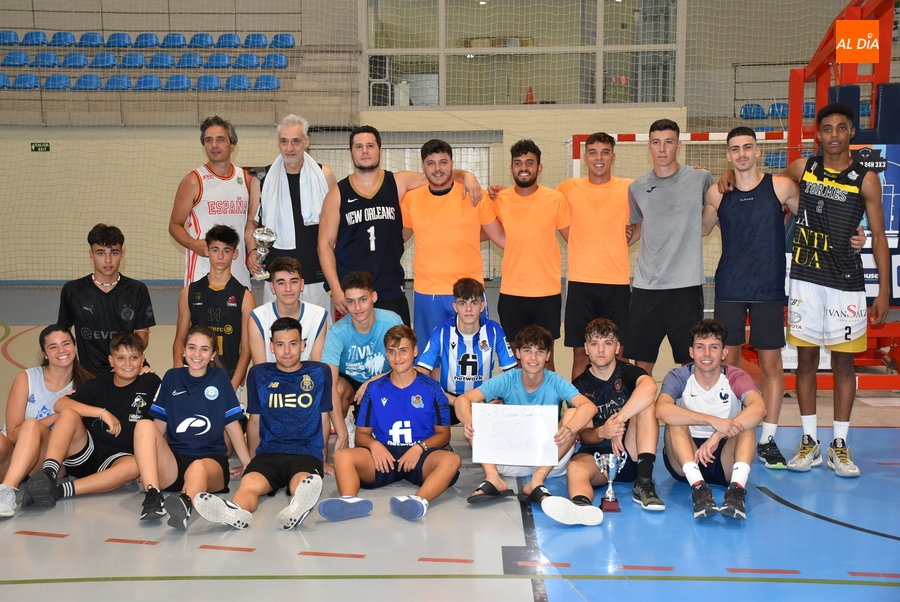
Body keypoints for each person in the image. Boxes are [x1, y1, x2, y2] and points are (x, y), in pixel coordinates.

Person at [712, 125, 871, 472]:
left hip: (769, 289)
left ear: (757, 152)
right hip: (729, 289)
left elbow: (818, 217)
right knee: (731, 366)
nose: (741, 154)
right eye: (735, 149)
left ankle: (767, 438)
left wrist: (855, 233)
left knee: (771, 367)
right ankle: (735, 430)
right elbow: (702, 227)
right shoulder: (716, 193)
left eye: (747, 148)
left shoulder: (781, 186)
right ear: (728, 155)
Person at [779, 103, 889, 477]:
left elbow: (877, 239)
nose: (834, 135)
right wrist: (731, 174)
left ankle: (839, 444)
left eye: (841, 128)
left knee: (844, 363)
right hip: (806, 281)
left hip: (846, 284)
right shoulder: (803, 169)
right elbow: (773, 189)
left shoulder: (866, 179)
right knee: (806, 360)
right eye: (827, 129)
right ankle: (809, 440)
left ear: (852, 133)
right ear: (818, 134)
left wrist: (884, 292)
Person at [317, 125, 483, 325]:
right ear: (351, 152)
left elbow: (436, 173)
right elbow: (324, 244)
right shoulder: (338, 193)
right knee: (353, 353)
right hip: (352, 291)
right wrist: (336, 289)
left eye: (370, 145)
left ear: (380, 151)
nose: (365, 151)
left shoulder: (398, 182)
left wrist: (466, 176)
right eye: (359, 146)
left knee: (400, 352)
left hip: (390, 287)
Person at [194, 317, 345, 530]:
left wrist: (321, 459)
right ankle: (234, 510)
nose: (287, 351)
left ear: (303, 345)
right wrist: (251, 461)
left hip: (305, 452)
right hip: (269, 453)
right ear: (271, 347)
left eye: (293, 344)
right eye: (280, 344)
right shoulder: (259, 374)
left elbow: (323, 417)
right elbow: (254, 422)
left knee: (302, 484)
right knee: (249, 484)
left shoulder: (319, 372)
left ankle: (297, 508)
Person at [1, 333, 159, 516]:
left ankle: (59, 490)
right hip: (85, 450)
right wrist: (102, 413)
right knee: (68, 414)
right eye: (121, 358)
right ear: (111, 361)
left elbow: (160, 421)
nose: (128, 363)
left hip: (119, 456)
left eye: (134, 358)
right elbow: (60, 405)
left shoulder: (151, 382)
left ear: (143, 360)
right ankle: (49, 475)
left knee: (134, 465)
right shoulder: (99, 382)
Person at [317, 325, 461, 522]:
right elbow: (361, 435)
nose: (397, 357)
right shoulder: (374, 389)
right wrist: (374, 445)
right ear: (386, 354)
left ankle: (417, 501)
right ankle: (350, 501)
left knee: (452, 460)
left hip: (420, 456)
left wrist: (420, 448)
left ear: (415, 351)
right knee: (342, 456)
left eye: (403, 350)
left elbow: (444, 435)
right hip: (384, 457)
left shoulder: (432, 388)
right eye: (391, 352)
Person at [455, 325, 597, 510]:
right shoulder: (507, 379)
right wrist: (468, 421)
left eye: (540, 351)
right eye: (527, 350)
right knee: (479, 411)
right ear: (518, 353)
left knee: (572, 412)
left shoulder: (554, 381)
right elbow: (462, 400)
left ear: (547, 356)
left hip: (548, 461)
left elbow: (589, 407)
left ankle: (537, 481)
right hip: (509, 459)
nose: (533, 357)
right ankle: (492, 477)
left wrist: (569, 428)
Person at [541, 318, 662, 526]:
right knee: (575, 468)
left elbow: (650, 387)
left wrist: (619, 421)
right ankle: (581, 507)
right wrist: (604, 431)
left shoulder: (627, 372)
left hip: (630, 450)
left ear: (617, 347)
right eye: (595, 343)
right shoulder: (579, 385)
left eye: (607, 343)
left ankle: (644, 482)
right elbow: (584, 433)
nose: (601, 349)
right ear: (586, 348)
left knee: (647, 403)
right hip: (596, 456)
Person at [135, 326, 251, 530]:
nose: (197, 354)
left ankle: (185, 504)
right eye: (192, 347)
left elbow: (232, 424)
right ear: (183, 350)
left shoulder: (220, 378)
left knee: (197, 467)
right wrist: (147, 467)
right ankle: (153, 496)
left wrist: (248, 464)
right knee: (144, 424)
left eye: (204, 349)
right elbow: (158, 426)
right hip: (174, 462)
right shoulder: (171, 377)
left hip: (210, 462)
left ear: (213, 354)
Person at [625, 119, 714, 378]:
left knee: (690, 362)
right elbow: (639, 225)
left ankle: (686, 415)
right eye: (656, 142)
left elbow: (712, 219)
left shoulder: (700, 178)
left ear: (679, 145)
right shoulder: (637, 187)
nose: (662, 149)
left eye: (668, 142)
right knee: (641, 364)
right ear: (649, 147)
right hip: (647, 287)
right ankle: (641, 417)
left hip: (685, 287)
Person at [656, 320, 766, 520]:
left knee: (746, 424)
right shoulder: (679, 376)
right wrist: (712, 421)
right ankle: (699, 490)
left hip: (724, 457)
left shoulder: (735, 376)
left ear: (724, 353)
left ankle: (736, 491)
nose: (707, 354)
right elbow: (661, 409)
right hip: (686, 457)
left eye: (713, 347)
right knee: (674, 418)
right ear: (691, 352)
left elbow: (759, 408)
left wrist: (718, 434)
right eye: (700, 347)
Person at [400, 139, 505, 344]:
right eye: (431, 163)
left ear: (452, 163)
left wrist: (510, 201)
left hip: (469, 292)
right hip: (427, 293)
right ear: (423, 167)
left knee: (474, 358)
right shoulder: (411, 200)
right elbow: (398, 238)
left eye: (443, 162)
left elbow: (501, 237)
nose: (437, 168)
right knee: (430, 360)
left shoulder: (475, 194)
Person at [556, 133, 634, 380]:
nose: (599, 158)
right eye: (593, 152)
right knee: (581, 353)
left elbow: (659, 205)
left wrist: (635, 232)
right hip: (581, 284)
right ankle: (580, 410)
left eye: (605, 152)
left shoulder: (630, 187)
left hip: (617, 284)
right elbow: (539, 202)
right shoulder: (568, 188)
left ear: (614, 157)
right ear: (585, 157)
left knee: (620, 353)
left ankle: (624, 410)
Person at [246, 114, 338, 316]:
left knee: (316, 339)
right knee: (277, 339)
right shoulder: (262, 179)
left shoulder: (325, 176)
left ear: (306, 141)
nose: (290, 148)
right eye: (284, 141)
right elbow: (251, 224)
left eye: (296, 141)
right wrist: (253, 250)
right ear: (278, 143)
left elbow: (336, 226)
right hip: (277, 277)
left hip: (316, 275)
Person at [493, 140, 571, 372]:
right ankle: (518, 409)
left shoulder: (555, 199)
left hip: (546, 294)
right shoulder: (501, 200)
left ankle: (553, 408)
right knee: (517, 362)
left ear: (540, 167)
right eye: (518, 163)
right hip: (512, 294)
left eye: (529, 162)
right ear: (511, 168)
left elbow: (575, 238)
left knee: (546, 360)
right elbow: (482, 231)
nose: (523, 167)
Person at [0, 325, 93, 512]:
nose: (61, 351)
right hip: (12, 455)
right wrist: (57, 413)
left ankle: (7, 490)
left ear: (74, 346)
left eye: (66, 344)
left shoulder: (87, 384)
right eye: (53, 347)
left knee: (32, 425)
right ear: (44, 353)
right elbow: (13, 435)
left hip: (45, 463)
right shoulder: (27, 378)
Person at [169, 115, 257, 289]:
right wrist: (192, 244)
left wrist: (254, 251)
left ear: (232, 145)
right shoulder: (194, 180)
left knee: (240, 316)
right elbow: (174, 225)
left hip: (238, 271)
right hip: (203, 270)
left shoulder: (246, 180)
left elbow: (251, 225)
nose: (214, 145)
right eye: (208, 140)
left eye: (220, 140)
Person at [58, 223, 155, 377]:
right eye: (101, 253)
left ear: (122, 254)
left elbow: (142, 335)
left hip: (127, 370)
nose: (108, 260)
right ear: (91, 254)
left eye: (114, 253)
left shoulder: (137, 290)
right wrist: (70, 367)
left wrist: (123, 365)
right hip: (88, 374)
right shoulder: (73, 290)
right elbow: (63, 334)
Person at [415, 278, 516, 421]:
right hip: (450, 399)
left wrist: (498, 399)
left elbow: (512, 376)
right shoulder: (442, 331)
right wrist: (453, 400)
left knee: (517, 397)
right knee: (419, 399)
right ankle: (441, 440)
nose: (468, 309)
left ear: (482, 306)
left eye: (474, 303)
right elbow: (420, 374)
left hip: (482, 398)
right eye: (463, 303)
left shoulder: (494, 330)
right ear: (455, 307)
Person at [174, 225, 255, 394]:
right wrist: (178, 371)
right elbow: (180, 339)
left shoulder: (245, 297)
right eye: (215, 249)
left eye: (226, 250)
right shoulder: (189, 292)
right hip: (193, 375)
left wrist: (233, 385)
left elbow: (247, 348)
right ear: (207, 251)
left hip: (228, 378)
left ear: (235, 254)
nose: (220, 256)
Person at [321, 271, 403, 425]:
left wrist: (373, 382)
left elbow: (406, 366)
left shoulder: (392, 322)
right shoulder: (337, 332)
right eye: (351, 301)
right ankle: (348, 427)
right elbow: (329, 384)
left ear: (374, 297)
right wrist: (342, 434)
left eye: (363, 300)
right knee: (335, 390)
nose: (357, 307)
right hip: (351, 382)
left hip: (384, 378)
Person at [248, 257, 327, 366]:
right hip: (270, 381)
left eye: (293, 282)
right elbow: (260, 371)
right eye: (281, 283)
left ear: (302, 284)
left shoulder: (318, 315)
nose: (288, 288)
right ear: (272, 287)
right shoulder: (258, 317)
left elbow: (317, 368)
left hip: (306, 381)